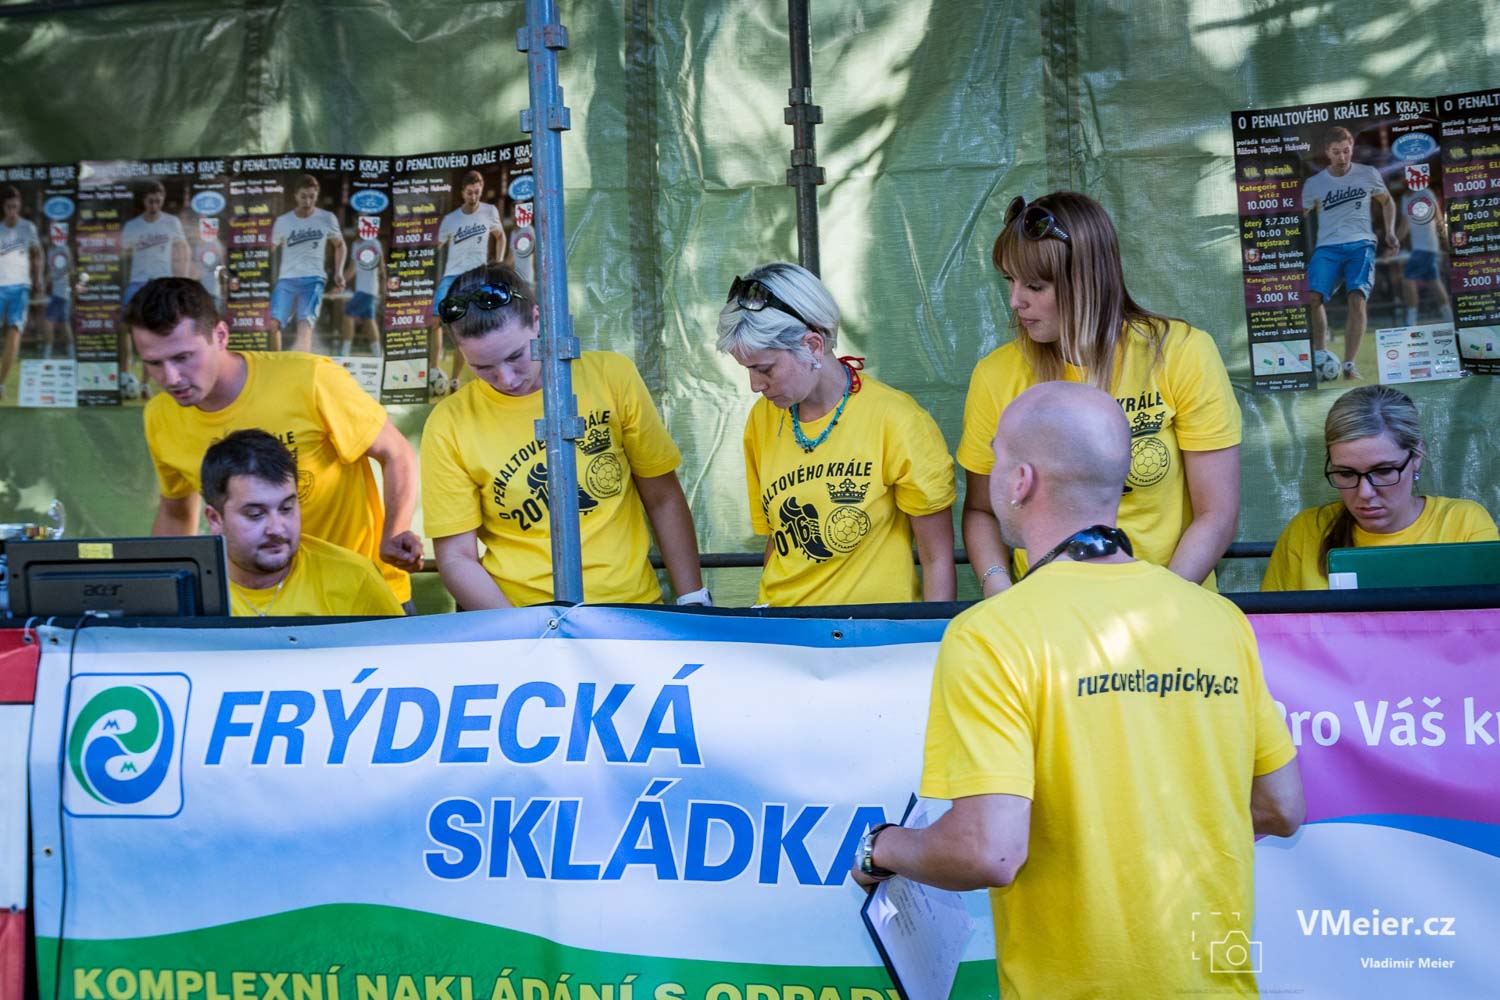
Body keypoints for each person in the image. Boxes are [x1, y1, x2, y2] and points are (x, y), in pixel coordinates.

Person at [853, 381, 1304, 1000]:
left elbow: (988, 850)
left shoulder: (991, 633)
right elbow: (1282, 806)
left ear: (1020, 481)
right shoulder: (1218, 618)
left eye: (996, 459)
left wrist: (883, 848)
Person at [959, 191, 1240, 595]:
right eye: (1009, 280)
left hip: (1166, 603)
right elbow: (982, 511)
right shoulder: (995, 374)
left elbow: (1216, 513)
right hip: (1049, 611)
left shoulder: (1181, 352)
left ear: (1086, 282)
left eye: (1034, 286)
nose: (1015, 301)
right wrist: (1002, 593)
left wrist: (1159, 606)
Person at [420, 262, 708, 609]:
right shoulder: (449, 423)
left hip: (632, 609)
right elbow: (456, 556)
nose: (506, 378)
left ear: (538, 320)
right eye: (482, 368)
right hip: (525, 616)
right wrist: (524, 631)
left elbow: (662, 497)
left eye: (516, 356)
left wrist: (694, 599)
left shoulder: (611, 377)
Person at [127, 277, 422, 609]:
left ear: (220, 336)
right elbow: (177, 513)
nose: (171, 377)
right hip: (254, 604)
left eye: (183, 357)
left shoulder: (309, 378)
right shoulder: (160, 416)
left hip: (358, 595)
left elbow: (396, 453)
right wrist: (158, 595)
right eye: (154, 363)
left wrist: (394, 534)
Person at [717, 262, 955, 605]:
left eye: (764, 369)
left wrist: (933, 633)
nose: (755, 385)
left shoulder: (898, 420)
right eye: (748, 370)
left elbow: (937, 558)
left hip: (874, 631)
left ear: (813, 345)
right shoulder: (762, 418)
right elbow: (778, 541)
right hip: (784, 627)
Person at [1262, 385, 1497, 591]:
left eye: (1384, 471)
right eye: (1346, 474)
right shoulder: (1305, 532)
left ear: (1417, 456)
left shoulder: (1463, 523)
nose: (1365, 492)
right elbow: (1274, 626)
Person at [201, 429, 403, 617]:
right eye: (255, 514)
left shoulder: (356, 579)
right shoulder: (191, 590)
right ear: (215, 519)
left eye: (286, 508)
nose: (276, 528)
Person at [1302, 126, 1399, 381]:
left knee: (1357, 298)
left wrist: (1390, 232)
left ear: (1352, 147)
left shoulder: (1368, 174)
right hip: (1327, 248)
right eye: (1336, 152)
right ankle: (1320, 353)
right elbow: (1299, 213)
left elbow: (1387, 201)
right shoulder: (1314, 184)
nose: (1342, 157)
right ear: (1327, 152)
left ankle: (1348, 365)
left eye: (1346, 151)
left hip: (1361, 245)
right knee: (1312, 297)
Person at [430, 171, 503, 382]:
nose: (473, 197)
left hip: (475, 277)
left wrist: (497, 263)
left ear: (481, 190)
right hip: (451, 276)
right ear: (462, 192)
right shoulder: (451, 219)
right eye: (469, 193)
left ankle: (454, 378)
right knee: (435, 320)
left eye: (477, 192)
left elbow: (500, 237)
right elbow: (435, 246)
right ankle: (435, 371)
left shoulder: (490, 211)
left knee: (465, 328)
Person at [270, 174, 345, 353]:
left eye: (312, 196)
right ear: (296, 196)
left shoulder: (327, 218)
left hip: (313, 279)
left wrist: (339, 272)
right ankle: (276, 362)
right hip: (287, 279)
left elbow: (340, 245)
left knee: (305, 324)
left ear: (317, 195)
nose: (308, 201)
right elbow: (269, 250)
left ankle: (302, 363)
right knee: (273, 323)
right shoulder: (283, 221)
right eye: (303, 196)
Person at [0, 185, 43, 400]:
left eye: (15, 207)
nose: (12, 211)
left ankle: (1, 383)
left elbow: (37, 254)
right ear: (3, 207)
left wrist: (38, 279)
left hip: (21, 287)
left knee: (15, 330)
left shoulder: (28, 228)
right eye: (9, 207)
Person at [1397, 183, 1452, 327]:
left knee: (1407, 279)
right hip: (1421, 248)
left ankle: (1411, 321)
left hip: (1426, 247)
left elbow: (1438, 218)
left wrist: (1445, 240)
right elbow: (1404, 226)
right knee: (1435, 282)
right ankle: (1449, 318)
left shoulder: (1426, 193)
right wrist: (1393, 243)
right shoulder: (1405, 198)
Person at [340, 230, 384, 357]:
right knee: (369, 320)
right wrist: (340, 282)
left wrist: (384, 287)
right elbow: (352, 269)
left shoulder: (374, 243)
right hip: (362, 289)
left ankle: (344, 353)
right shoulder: (355, 244)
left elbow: (381, 266)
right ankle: (377, 355)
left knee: (348, 313)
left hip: (369, 289)